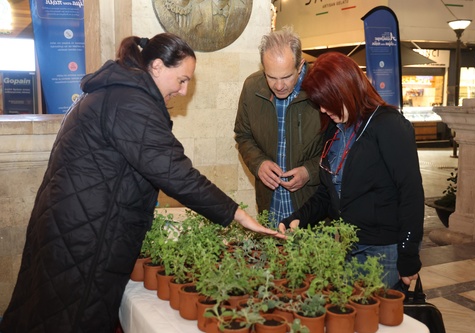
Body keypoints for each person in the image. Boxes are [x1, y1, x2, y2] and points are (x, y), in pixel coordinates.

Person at [0, 32, 283, 333]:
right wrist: (237, 215)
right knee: (73, 318)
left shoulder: (118, 91)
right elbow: (175, 172)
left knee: (48, 312)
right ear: (158, 67)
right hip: (86, 236)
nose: (184, 91)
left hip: (74, 225)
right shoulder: (130, 102)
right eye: (182, 80)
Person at [278, 52, 424, 289]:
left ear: (345, 90)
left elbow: (411, 194)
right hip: (347, 246)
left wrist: (408, 257)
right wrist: (298, 218)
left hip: (383, 252)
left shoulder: (389, 125)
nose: (323, 110)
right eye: (320, 104)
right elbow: (329, 193)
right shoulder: (335, 130)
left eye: (327, 102)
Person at [234, 26, 323, 227]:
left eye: (286, 77)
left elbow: (337, 148)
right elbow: (243, 135)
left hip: (312, 212)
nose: (279, 85)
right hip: (270, 209)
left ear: (300, 66)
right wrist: (258, 164)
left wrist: (310, 171)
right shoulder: (252, 87)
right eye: (271, 77)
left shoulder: (320, 89)